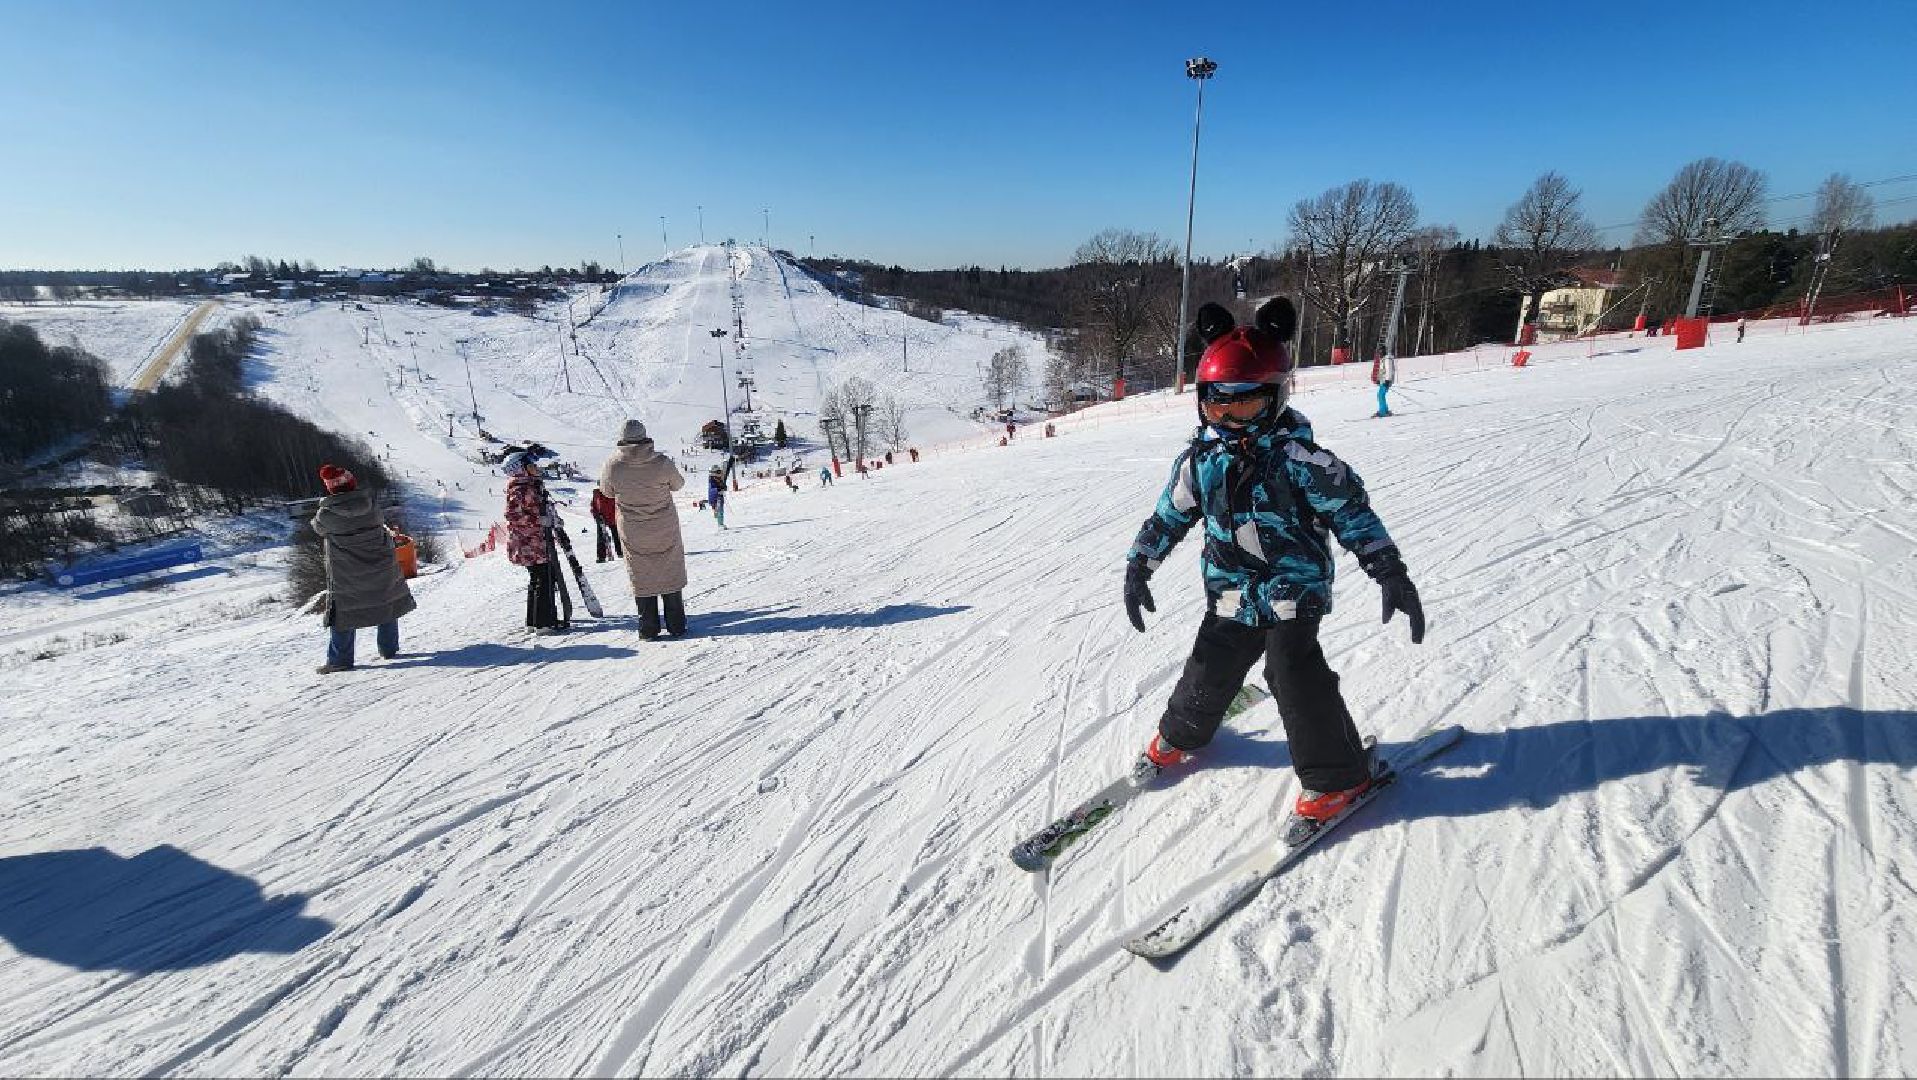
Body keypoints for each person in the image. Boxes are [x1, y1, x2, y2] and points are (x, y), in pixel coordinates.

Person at [1124, 298, 1426, 845]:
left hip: (1293, 588)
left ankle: (1340, 777)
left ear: (1276, 398)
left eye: (1247, 408)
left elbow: (1354, 515)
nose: (1232, 421)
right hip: (1231, 590)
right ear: (1202, 404)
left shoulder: (1301, 460)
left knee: (1290, 668)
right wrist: (1139, 564)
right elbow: (1170, 515)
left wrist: (1390, 572)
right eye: (1220, 408)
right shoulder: (1200, 462)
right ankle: (1182, 734)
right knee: (1211, 660)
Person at [311, 464, 415, 673]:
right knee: (386, 602)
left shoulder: (326, 516)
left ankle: (340, 660)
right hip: (380, 565)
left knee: (344, 613)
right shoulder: (370, 505)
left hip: (346, 573)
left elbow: (317, 527)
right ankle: (389, 649)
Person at [599, 419, 688, 640]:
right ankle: (676, 624)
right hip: (664, 524)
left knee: (641, 572)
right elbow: (678, 484)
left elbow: (607, 492)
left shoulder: (613, 465)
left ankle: (648, 626)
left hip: (633, 528)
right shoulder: (661, 462)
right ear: (645, 436)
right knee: (669, 568)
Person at [503, 451, 564, 635]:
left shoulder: (530, 486)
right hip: (529, 542)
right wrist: (540, 521)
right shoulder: (520, 489)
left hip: (534, 540)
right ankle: (543, 623)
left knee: (540, 577)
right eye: (531, 465)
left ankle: (535, 620)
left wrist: (551, 518)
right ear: (520, 469)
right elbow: (513, 516)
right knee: (543, 577)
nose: (536, 468)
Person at [590, 486, 623, 563]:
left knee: (617, 535)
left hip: (612, 517)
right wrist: (596, 516)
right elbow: (593, 506)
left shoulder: (610, 492)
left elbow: (616, 504)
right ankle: (601, 557)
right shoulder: (596, 493)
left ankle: (621, 552)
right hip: (601, 518)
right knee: (601, 537)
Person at [706, 464, 728, 529]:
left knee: (720, 510)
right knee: (719, 510)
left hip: (720, 496)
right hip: (715, 497)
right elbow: (712, 489)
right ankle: (720, 524)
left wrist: (724, 487)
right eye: (718, 472)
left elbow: (723, 486)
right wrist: (718, 489)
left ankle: (720, 522)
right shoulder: (712, 480)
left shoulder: (719, 479)